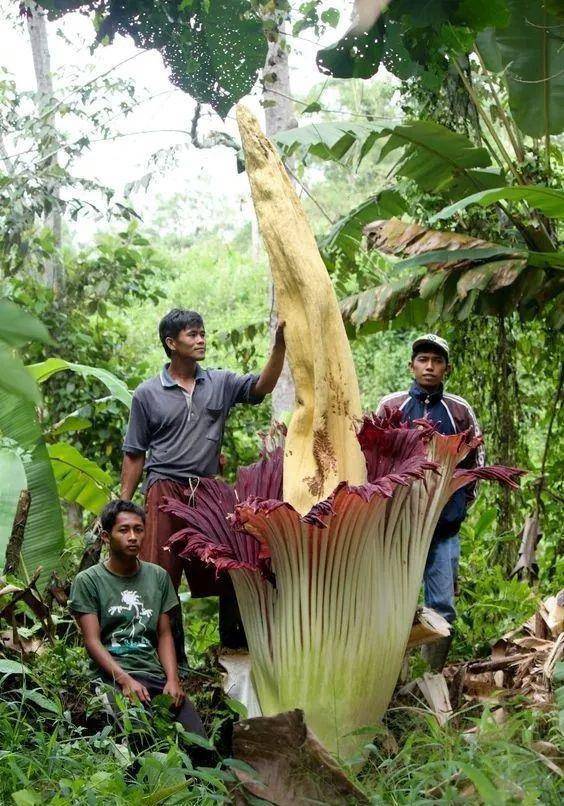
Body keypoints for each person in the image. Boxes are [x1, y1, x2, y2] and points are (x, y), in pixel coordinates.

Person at [120, 308, 286, 657]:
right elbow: (134, 453)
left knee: (230, 565)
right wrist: (123, 505)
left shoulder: (220, 383)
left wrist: (279, 348)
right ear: (171, 343)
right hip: (164, 489)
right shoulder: (147, 394)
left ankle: (234, 649)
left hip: (207, 492)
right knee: (160, 576)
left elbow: (261, 386)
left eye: (202, 333)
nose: (201, 340)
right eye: (192, 335)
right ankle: (169, 661)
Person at [376, 334, 484, 671]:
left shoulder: (458, 409)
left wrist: (457, 511)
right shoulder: (391, 407)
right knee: (396, 604)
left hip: (444, 528)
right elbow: (371, 458)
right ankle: (395, 678)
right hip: (400, 529)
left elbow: (477, 464)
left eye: (437, 362)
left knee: (441, 606)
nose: (429, 367)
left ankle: (431, 677)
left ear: (446, 369)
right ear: (411, 365)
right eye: (423, 360)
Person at [69, 499, 206, 737]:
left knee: (199, 743)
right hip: (110, 677)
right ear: (105, 536)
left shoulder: (158, 577)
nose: (132, 536)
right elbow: (92, 640)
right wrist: (124, 680)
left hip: (154, 675)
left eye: (138, 529)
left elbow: (164, 634)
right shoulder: (88, 581)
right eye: (124, 530)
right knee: (139, 737)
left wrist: (173, 680)